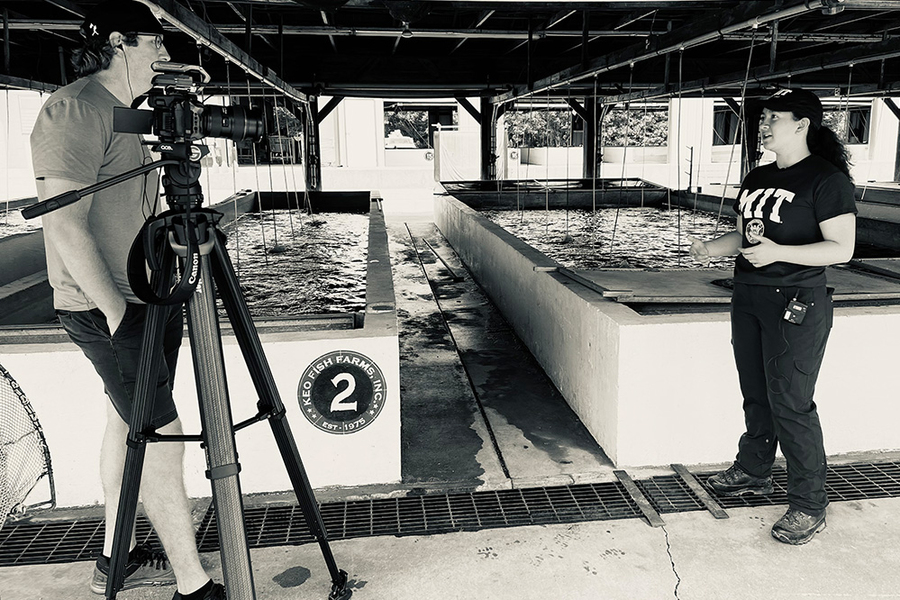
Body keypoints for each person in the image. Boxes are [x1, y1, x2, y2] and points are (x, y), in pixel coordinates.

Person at [30, 1, 224, 598]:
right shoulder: (74, 110)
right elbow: (64, 225)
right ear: (119, 42)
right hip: (105, 306)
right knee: (159, 432)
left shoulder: (129, 114)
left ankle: (116, 558)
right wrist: (118, 316)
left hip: (146, 294)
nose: (165, 53)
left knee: (125, 423)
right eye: (155, 42)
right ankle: (193, 584)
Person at [688, 88, 856, 545]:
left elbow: (843, 249)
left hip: (796, 301)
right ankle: (754, 469)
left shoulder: (826, 178)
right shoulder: (757, 177)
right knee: (756, 392)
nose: (762, 124)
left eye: (773, 117)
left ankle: (808, 504)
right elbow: (743, 237)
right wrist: (711, 248)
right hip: (749, 296)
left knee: (791, 402)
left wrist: (781, 252)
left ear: (802, 124)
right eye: (761, 117)